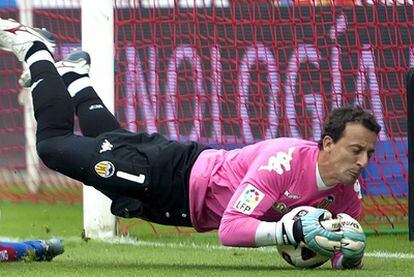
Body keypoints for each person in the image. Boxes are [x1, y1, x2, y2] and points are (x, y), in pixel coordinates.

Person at [0, 18, 380, 269]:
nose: (362, 161)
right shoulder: (281, 162)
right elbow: (232, 229)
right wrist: (286, 231)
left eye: (368, 153)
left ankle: (73, 78)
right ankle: (33, 48)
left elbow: (337, 248)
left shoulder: (346, 194)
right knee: (53, 146)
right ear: (328, 144)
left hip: (178, 203)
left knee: (110, 142)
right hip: (168, 174)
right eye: (355, 150)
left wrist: (350, 253)